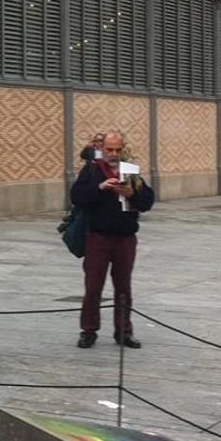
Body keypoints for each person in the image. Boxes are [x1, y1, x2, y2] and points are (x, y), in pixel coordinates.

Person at [70, 131, 154, 349]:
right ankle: (89, 331)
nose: (113, 154)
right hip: (98, 236)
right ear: (103, 149)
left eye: (117, 150)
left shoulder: (130, 171)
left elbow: (147, 201)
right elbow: (77, 196)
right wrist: (100, 188)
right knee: (93, 286)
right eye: (110, 150)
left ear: (122, 149)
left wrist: (131, 194)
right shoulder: (92, 170)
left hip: (125, 238)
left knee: (124, 286)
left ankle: (124, 331)